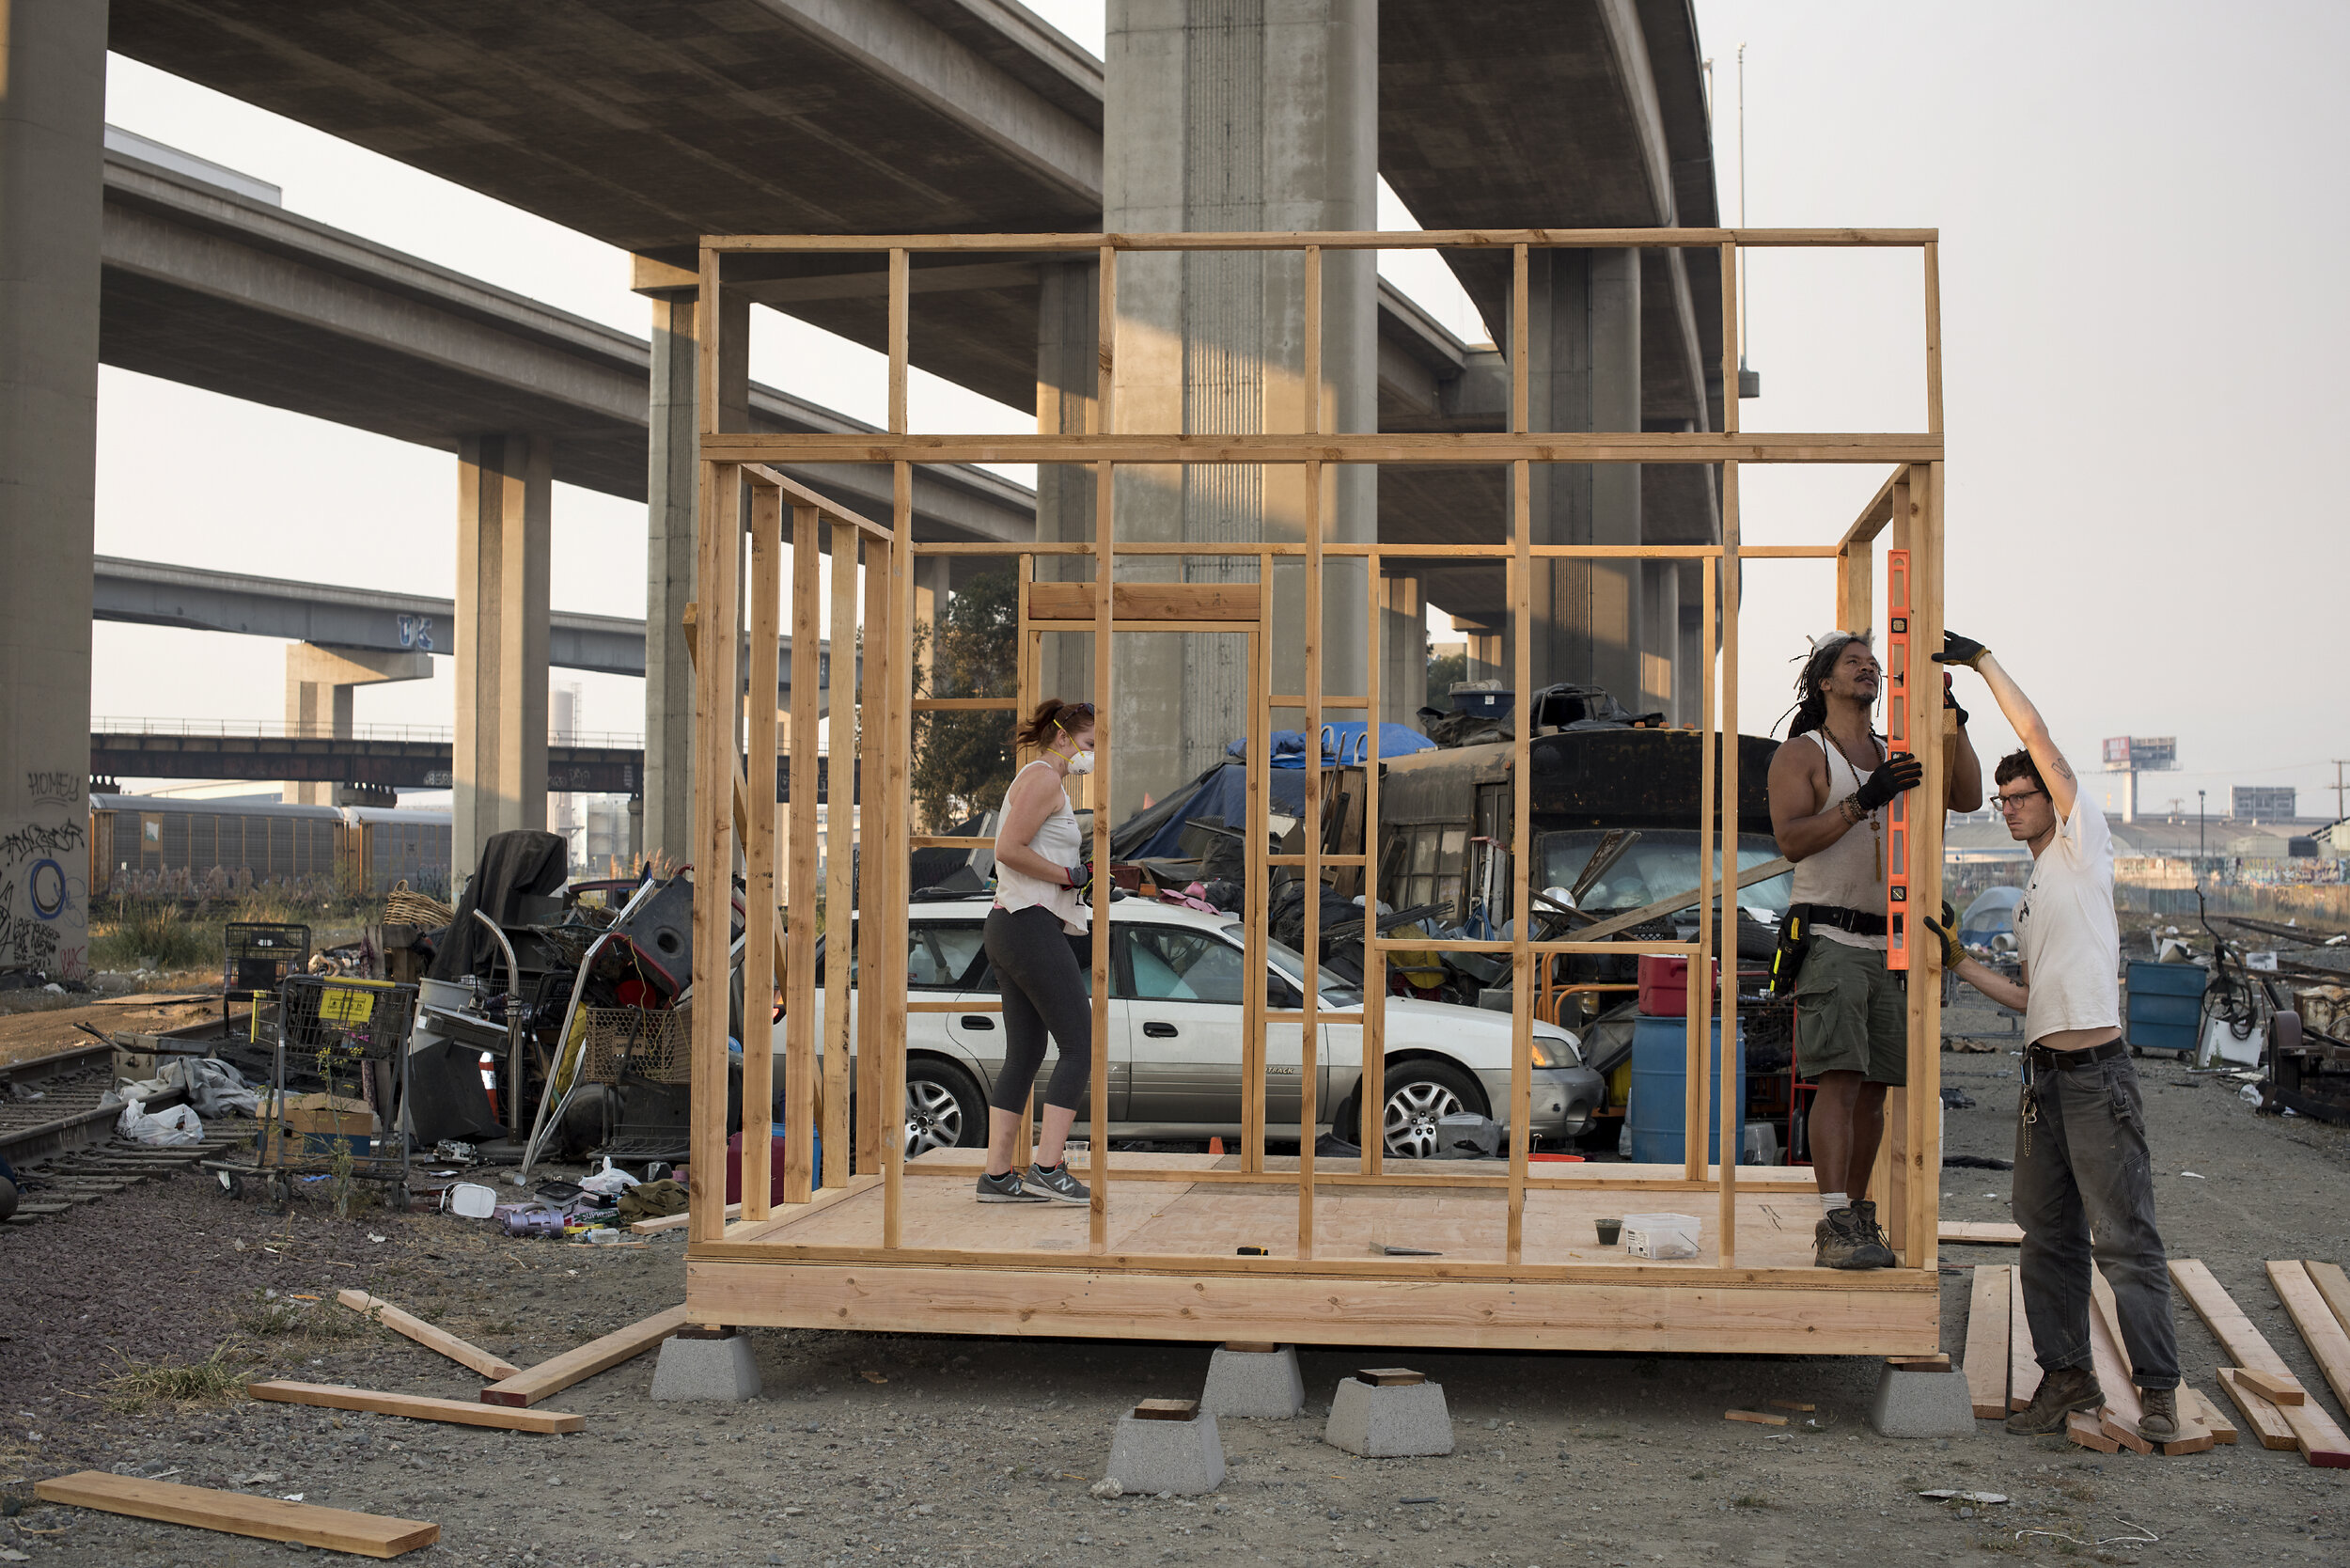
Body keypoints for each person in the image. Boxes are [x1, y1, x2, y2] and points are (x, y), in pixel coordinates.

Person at [1925, 635, 2179, 1440]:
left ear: (2053, 799)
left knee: (2125, 1240)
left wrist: (1982, 661)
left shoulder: (2080, 847)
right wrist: (1958, 962)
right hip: (2046, 1082)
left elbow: (2037, 734)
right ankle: (2068, 1378)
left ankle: (2160, 1391)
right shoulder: (2036, 890)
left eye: (2019, 796)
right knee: (2046, 1236)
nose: (2008, 808)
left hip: (2098, 1076)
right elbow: (2031, 997)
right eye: (2001, 801)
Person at [1768, 631, 1982, 1268]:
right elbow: (1791, 840)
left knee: (1876, 1089)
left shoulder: (1895, 753)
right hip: (1831, 938)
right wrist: (1865, 798)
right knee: (1838, 1079)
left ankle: (1858, 1219)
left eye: (1873, 664)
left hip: (1888, 942)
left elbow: (1966, 795)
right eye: (1853, 663)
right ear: (1825, 682)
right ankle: (1832, 1221)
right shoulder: (1804, 755)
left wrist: (1952, 713)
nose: (1868, 669)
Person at [974, 698, 1100, 1204]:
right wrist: (1069, 875)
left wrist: (1076, 878)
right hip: (1026, 926)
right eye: (1089, 745)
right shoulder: (1045, 778)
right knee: (1080, 1046)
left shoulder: (1043, 781)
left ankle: (997, 1177)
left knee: (1025, 1053)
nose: (1093, 755)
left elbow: (1031, 851)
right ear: (1064, 737)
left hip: (1013, 925)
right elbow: (1006, 849)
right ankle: (1048, 1166)